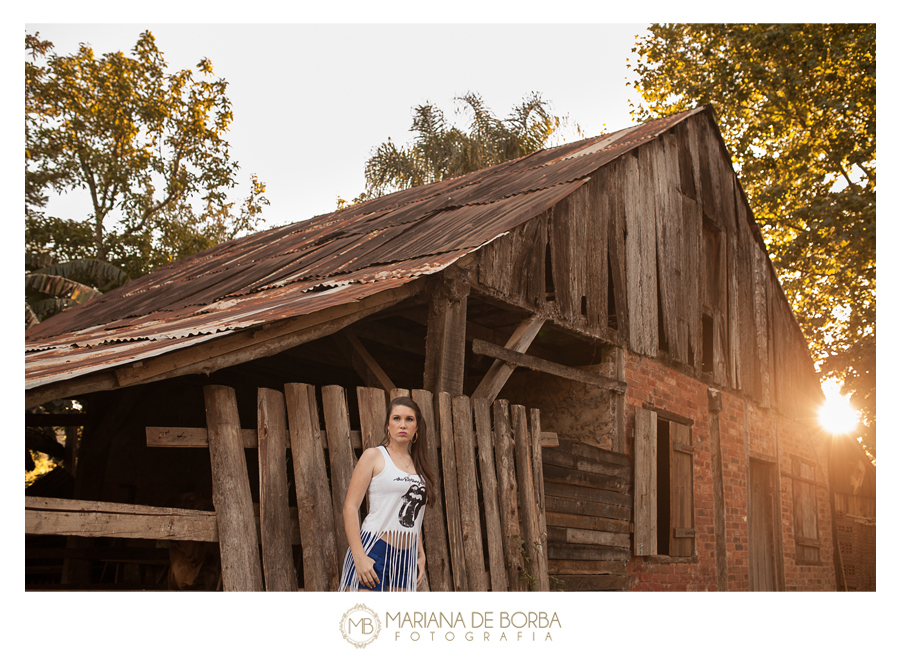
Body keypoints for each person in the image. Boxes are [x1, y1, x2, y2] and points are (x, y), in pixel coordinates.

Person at [338, 396, 436, 591]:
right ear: (387, 425)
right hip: (374, 549)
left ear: (416, 427)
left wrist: (420, 552)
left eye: (409, 419)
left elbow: (413, 513)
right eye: (396, 418)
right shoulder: (374, 456)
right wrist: (359, 557)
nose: (403, 424)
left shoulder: (420, 465)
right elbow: (350, 507)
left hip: (406, 558)